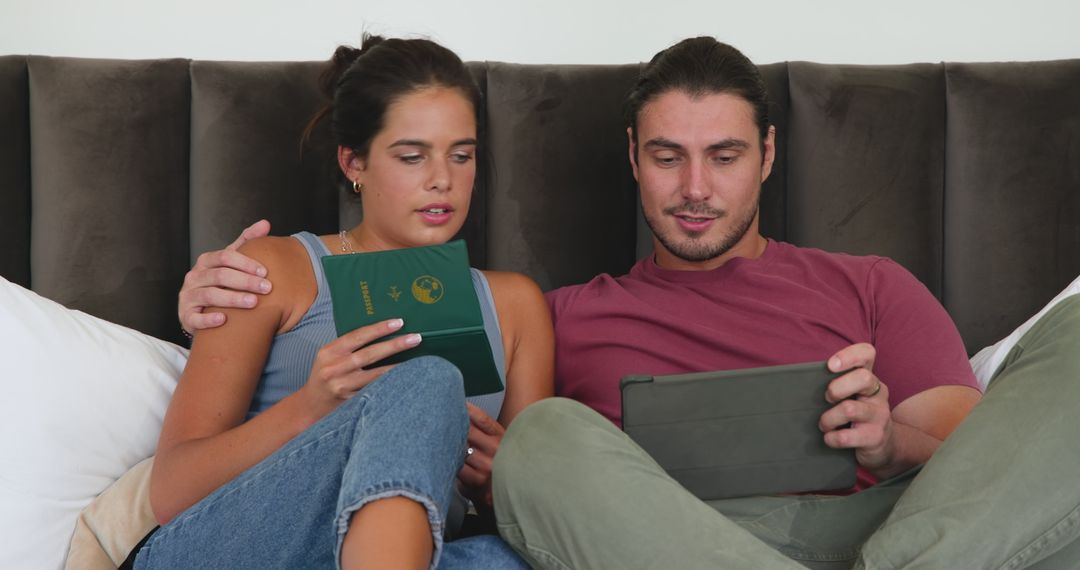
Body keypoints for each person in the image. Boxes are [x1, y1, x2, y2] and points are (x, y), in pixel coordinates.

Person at [179, 38, 1080, 569]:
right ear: (632, 158)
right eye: (667, 157)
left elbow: (997, 466)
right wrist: (210, 298)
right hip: (664, 544)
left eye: (724, 156)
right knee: (542, 439)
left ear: (768, 155)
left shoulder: (870, 284)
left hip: (888, 529)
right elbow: (526, 482)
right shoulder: (560, 314)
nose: (696, 189)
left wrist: (887, 442)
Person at [142, 35, 552, 570]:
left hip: (417, 553)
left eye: (462, 155)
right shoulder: (272, 270)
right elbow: (172, 493)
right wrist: (310, 407)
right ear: (354, 162)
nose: (442, 181)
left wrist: (500, 486)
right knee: (428, 379)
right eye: (412, 156)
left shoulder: (516, 305)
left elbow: (536, 522)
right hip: (240, 547)